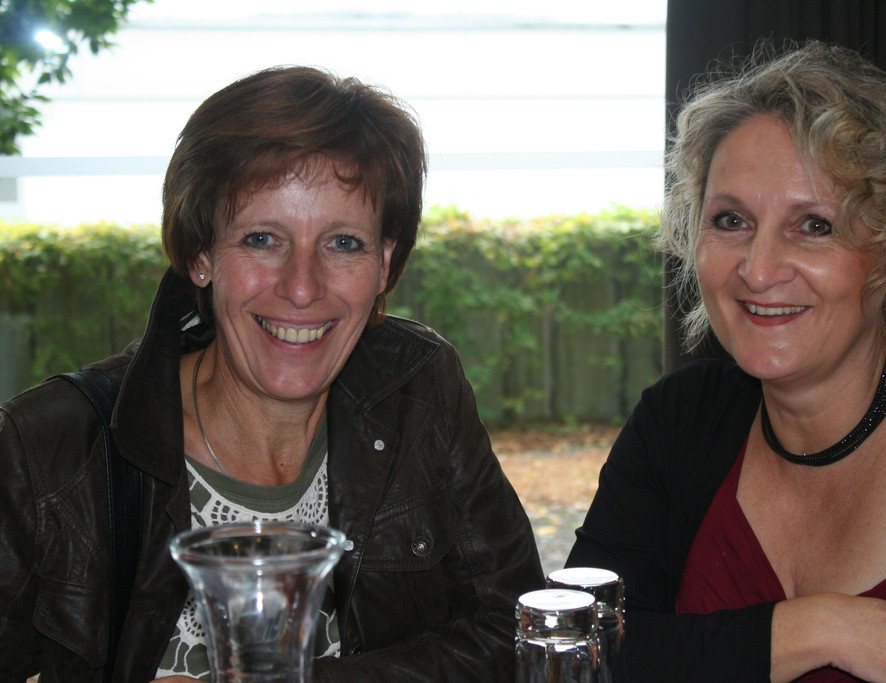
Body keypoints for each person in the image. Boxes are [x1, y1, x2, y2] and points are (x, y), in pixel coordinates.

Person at [0, 65, 543, 681]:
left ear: (385, 264)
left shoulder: (418, 389)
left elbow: (519, 629)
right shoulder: (48, 451)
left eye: (343, 243)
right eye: (262, 239)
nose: (302, 287)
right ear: (201, 254)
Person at [566, 41, 886, 681]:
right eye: (731, 220)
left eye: (814, 226)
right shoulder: (678, 420)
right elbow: (577, 646)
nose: (757, 270)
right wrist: (815, 628)